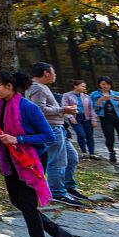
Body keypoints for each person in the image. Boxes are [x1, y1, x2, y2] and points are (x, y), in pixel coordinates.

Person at [0, 71, 75, 237]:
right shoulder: (0, 105)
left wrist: (17, 139)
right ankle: (57, 232)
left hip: (30, 161)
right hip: (11, 160)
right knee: (17, 201)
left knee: (27, 203)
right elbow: (4, 131)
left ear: (9, 86)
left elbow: (48, 136)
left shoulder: (28, 107)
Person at [26, 63, 82, 206]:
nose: (55, 75)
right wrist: (63, 109)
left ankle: (68, 186)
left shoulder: (42, 87)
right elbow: (39, 109)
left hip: (58, 127)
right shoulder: (37, 87)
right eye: (53, 72)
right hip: (51, 127)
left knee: (72, 157)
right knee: (57, 160)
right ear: (46, 73)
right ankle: (57, 192)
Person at [94, 77, 119, 166]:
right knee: (109, 138)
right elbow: (95, 109)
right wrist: (100, 100)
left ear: (111, 85)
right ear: (99, 84)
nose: (105, 86)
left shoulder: (117, 94)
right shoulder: (95, 95)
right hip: (106, 119)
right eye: (103, 84)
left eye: (107, 84)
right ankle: (111, 152)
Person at [61, 80, 99, 159]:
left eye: (85, 86)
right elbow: (64, 106)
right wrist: (70, 117)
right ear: (75, 86)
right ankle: (84, 152)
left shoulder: (87, 97)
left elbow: (91, 108)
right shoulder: (67, 95)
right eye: (82, 86)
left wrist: (94, 119)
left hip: (87, 117)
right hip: (75, 117)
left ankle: (92, 153)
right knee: (81, 134)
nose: (84, 88)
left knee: (90, 135)